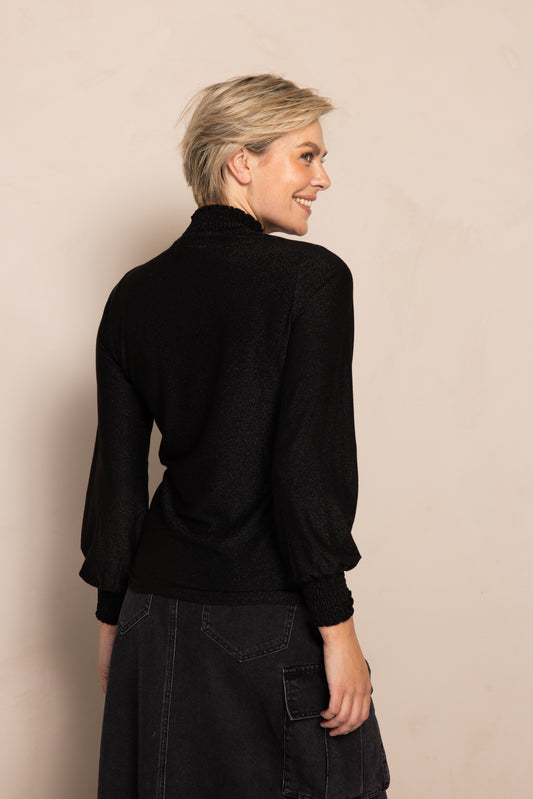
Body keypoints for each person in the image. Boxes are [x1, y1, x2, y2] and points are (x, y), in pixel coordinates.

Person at [80, 73, 390, 799]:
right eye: (306, 156)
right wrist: (337, 627)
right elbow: (305, 468)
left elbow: (116, 478)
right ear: (241, 162)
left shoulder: (133, 295)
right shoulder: (311, 280)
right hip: (264, 614)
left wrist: (112, 617)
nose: (323, 178)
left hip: (151, 615)